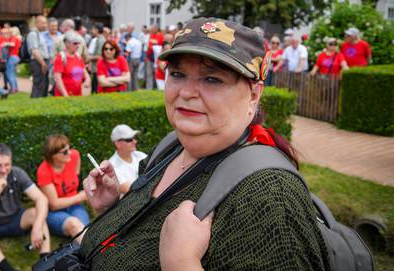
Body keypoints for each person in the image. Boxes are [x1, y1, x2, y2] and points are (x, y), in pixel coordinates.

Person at [80, 17, 329, 270]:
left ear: (254, 95)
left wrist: (181, 263)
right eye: (177, 74)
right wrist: (114, 210)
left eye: (212, 79)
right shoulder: (170, 148)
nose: (186, 92)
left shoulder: (271, 197)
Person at [0, 144, 50, 271]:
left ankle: (46, 264)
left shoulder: (17, 173)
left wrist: (37, 227)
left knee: (37, 213)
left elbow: (42, 199)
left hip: (17, 219)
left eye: (7, 164)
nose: (3, 170)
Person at [37, 135, 90, 242]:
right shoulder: (43, 171)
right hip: (53, 212)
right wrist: (80, 197)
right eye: (65, 151)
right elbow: (54, 204)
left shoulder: (74, 156)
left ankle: (88, 251)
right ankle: (91, 254)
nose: (69, 152)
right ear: (53, 155)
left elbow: (76, 178)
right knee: (74, 225)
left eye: (69, 148)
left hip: (74, 206)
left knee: (85, 229)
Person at [108, 124, 147, 194]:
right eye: (129, 139)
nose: (135, 141)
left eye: (134, 138)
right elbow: (131, 192)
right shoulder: (112, 167)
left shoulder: (141, 155)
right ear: (117, 144)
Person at [53, 31, 90, 97]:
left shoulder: (78, 57)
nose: (78, 46)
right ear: (67, 44)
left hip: (77, 95)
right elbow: (58, 78)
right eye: (75, 43)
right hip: (64, 97)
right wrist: (65, 95)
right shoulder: (61, 57)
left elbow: (85, 72)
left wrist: (87, 80)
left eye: (79, 43)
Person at [27, 15, 50, 98]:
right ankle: (35, 102)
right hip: (38, 62)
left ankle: (40, 102)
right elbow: (34, 50)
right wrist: (43, 63)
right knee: (38, 83)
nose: (46, 25)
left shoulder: (40, 34)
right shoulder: (33, 34)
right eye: (43, 23)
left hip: (41, 61)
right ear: (37, 23)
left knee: (43, 84)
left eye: (46, 23)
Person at [0, 27, 21, 93]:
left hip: (12, 57)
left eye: (10, 31)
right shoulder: (16, 38)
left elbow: (13, 44)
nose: (9, 32)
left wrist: (4, 44)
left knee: (9, 74)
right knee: (13, 74)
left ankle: (13, 89)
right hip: (15, 57)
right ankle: (15, 88)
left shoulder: (14, 38)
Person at [88, 23, 106, 94]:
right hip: (96, 68)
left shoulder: (101, 40)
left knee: (95, 90)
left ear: (97, 30)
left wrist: (89, 58)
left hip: (98, 69)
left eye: (93, 29)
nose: (92, 31)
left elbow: (100, 56)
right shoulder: (98, 39)